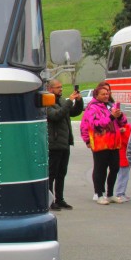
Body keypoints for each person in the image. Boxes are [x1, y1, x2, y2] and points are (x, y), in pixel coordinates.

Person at [80, 83, 128, 205]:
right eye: (103, 94)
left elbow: (123, 122)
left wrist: (120, 115)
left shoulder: (110, 105)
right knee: (100, 169)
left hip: (114, 143)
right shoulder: (92, 108)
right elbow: (96, 124)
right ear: (97, 95)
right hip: (101, 143)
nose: (106, 96)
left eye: (108, 93)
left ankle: (110, 194)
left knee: (115, 168)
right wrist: (111, 117)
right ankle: (99, 194)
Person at [46, 80, 83, 210]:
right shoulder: (47, 102)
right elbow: (56, 115)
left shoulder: (61, 101)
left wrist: (78, 101)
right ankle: (49, 200)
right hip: (54, 144)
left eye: (61, 87)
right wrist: (69, 101)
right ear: (50, 89)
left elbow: (73, 112)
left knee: (62, 173)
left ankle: (60, 199)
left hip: (65, 143)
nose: (61, 89)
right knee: (52, 174)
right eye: (58, 87)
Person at [115, 123, 131, 203]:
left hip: (123, 156)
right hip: (123, 156)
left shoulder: (126, 127)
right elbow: (127, 140)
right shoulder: (125, 129)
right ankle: (119, 193)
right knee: (123, 176)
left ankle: (122, 193)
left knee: (124, 176)